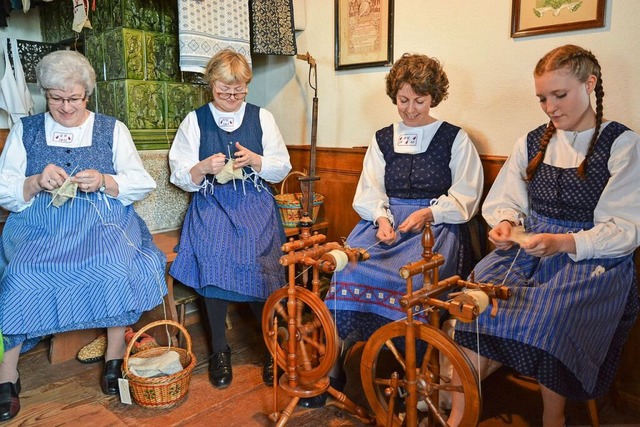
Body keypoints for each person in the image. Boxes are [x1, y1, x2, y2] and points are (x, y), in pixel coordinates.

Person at [449, 44, 640, 427]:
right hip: (531, 249)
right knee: (472, 298)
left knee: (553, 318)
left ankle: (554, 419)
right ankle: (459, 414)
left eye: (559, 95)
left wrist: (564, 243)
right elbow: (506, 200)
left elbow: (625, 229)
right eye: (542, 98)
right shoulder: (532, 141)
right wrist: (505, 224)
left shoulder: (621, 144)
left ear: (590, 84)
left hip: (591, 260)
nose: (550, 107)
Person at [0, 50, 167, 421]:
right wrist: (34, 181)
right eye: (56, 98)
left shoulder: (112, 128)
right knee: (21, 275)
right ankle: (7, 377)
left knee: (113, 265)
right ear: (45, 93)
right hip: (42, 223)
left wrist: (107, 181)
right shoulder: (25, 129)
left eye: (73, 99)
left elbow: (140, 181)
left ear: (87, 95)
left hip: (101, 220)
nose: (65, 107)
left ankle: (112, 357)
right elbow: (4, 187)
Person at [314, 53, 484, 408]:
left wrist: (428, 213)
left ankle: (417, 375)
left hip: (435, 230)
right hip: (385, 225)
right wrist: (382, 219)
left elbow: (466, 196)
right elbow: (370, 189)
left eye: (419, 101)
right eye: (403, 100)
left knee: (415, 284)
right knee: (349, 272)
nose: (410, 109)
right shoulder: (382, 138)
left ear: (434, 97)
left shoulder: (454, 138)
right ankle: (332, 368)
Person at [168, 49, 291, 390]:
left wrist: (256, 159)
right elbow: (179, 173)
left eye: (239, 90)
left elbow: (283, 166)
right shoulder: (195, 120)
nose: (232, 96)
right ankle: (220, 351)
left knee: (259, 254)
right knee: (213, 253)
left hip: (255, 203)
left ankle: (270, 349)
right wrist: (201, 168)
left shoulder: (262, 117)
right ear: (211, 84)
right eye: (224, 89)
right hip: (212, 203)